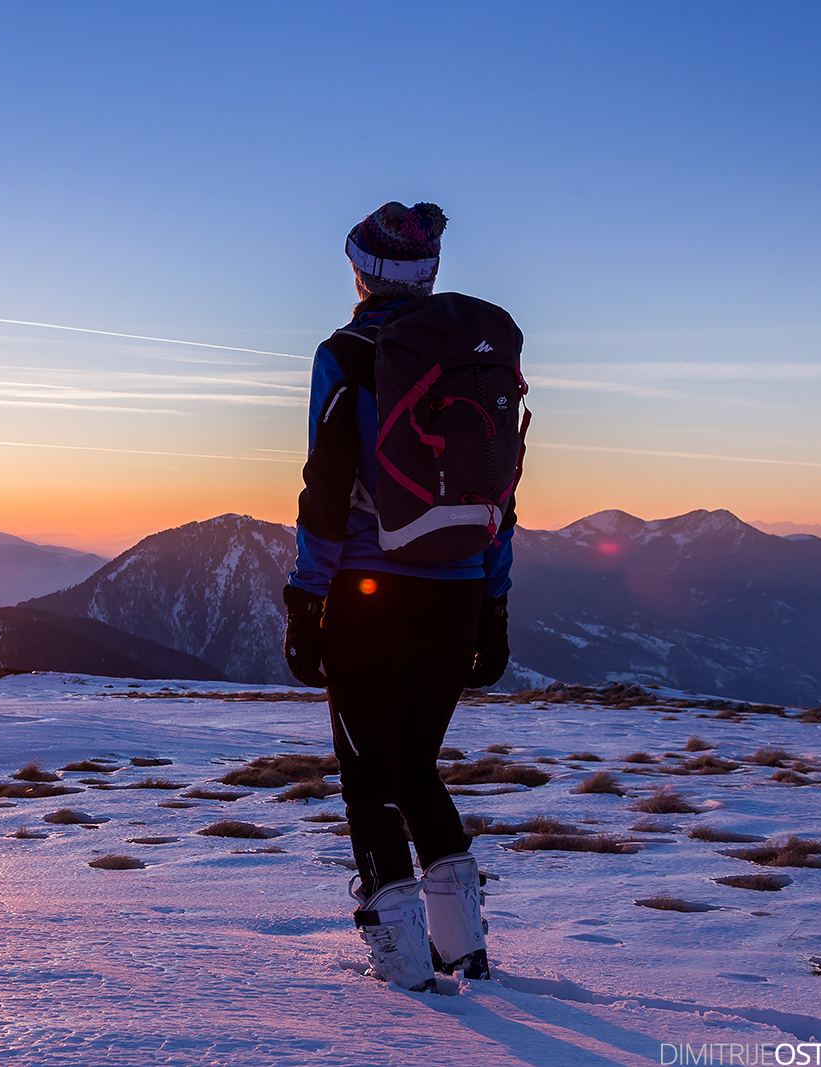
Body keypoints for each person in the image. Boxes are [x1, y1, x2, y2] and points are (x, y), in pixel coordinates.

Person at [283, 201, 516, 992]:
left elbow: (326, 487)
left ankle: (404, 966)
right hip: (457, 594)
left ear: (362, 271)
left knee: (367, 775)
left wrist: (307, 602)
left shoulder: (345, 353)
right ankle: (466, 950)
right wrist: (493, 602)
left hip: (368, 593)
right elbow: (503, 494)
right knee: (419, 766)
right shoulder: (471, 362)